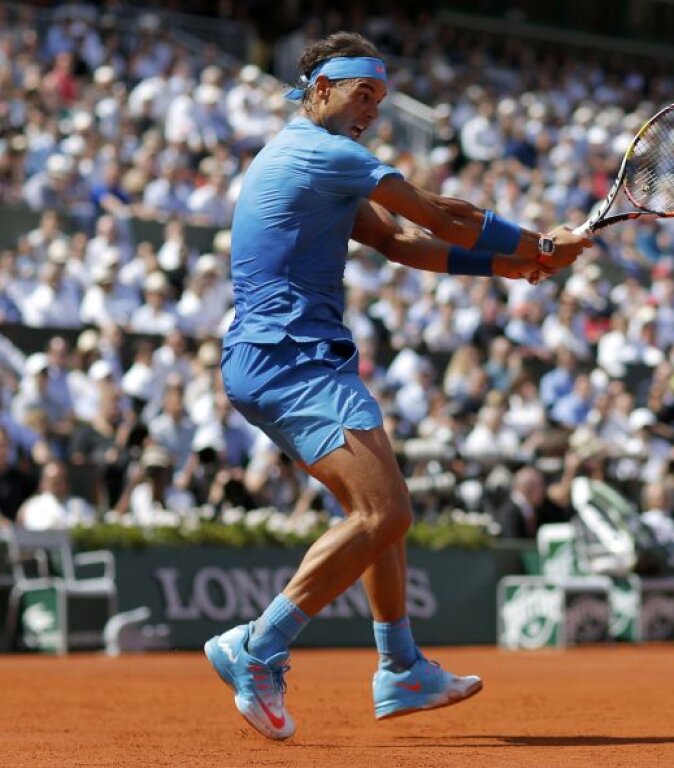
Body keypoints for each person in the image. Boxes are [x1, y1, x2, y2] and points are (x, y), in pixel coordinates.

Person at [203, 32, 592, 741]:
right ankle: (257, 646)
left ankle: (401, 667)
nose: (373, 109)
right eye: (364, 93)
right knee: (385, 513)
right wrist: (537, 245)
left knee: (382, 505)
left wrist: (513, 268)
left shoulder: (302, 157)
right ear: (320, 89)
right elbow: (441, 216)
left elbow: (399, 243)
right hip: (292, 358)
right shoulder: (326, 152)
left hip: (285, 358)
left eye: (380, 98)